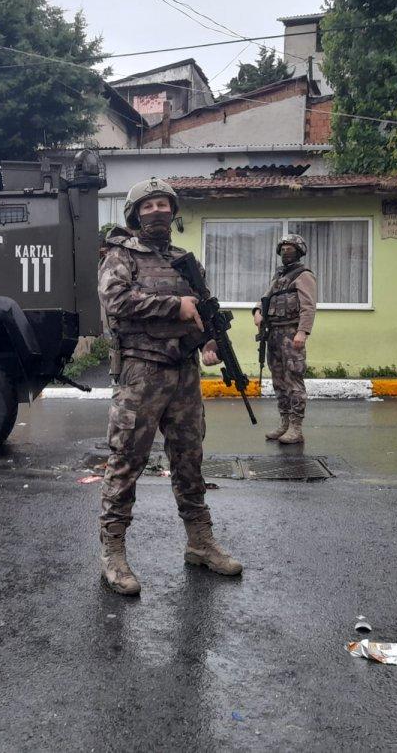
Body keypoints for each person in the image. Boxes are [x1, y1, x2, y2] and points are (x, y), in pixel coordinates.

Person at [96, 177, 243, 596]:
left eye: (164, 204)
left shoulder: (184, 261)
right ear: (135, 214)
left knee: (189, 460)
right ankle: (114, 552)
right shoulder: (120, 254)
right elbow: (116, 302)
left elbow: (204, 308)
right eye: (149, 205)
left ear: (173, 212)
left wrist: (213, 339)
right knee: (126, 460)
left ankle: (200, 541)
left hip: (184, 373)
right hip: (141, 373)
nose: (158, 211)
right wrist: (173, 305)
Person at [253, 234, 317, 445]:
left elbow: (308, 306)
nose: (286, 252)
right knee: (279, 381)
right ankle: (284, 423)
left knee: (294, 380)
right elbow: (265, 297)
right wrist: (257, 311)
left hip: (291, 333)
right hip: (273, 334)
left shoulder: (303, 275)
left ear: (299, 252)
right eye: (283, 248)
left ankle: (296, 428)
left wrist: (302, 332)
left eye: (290, 248)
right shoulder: (279, 276)